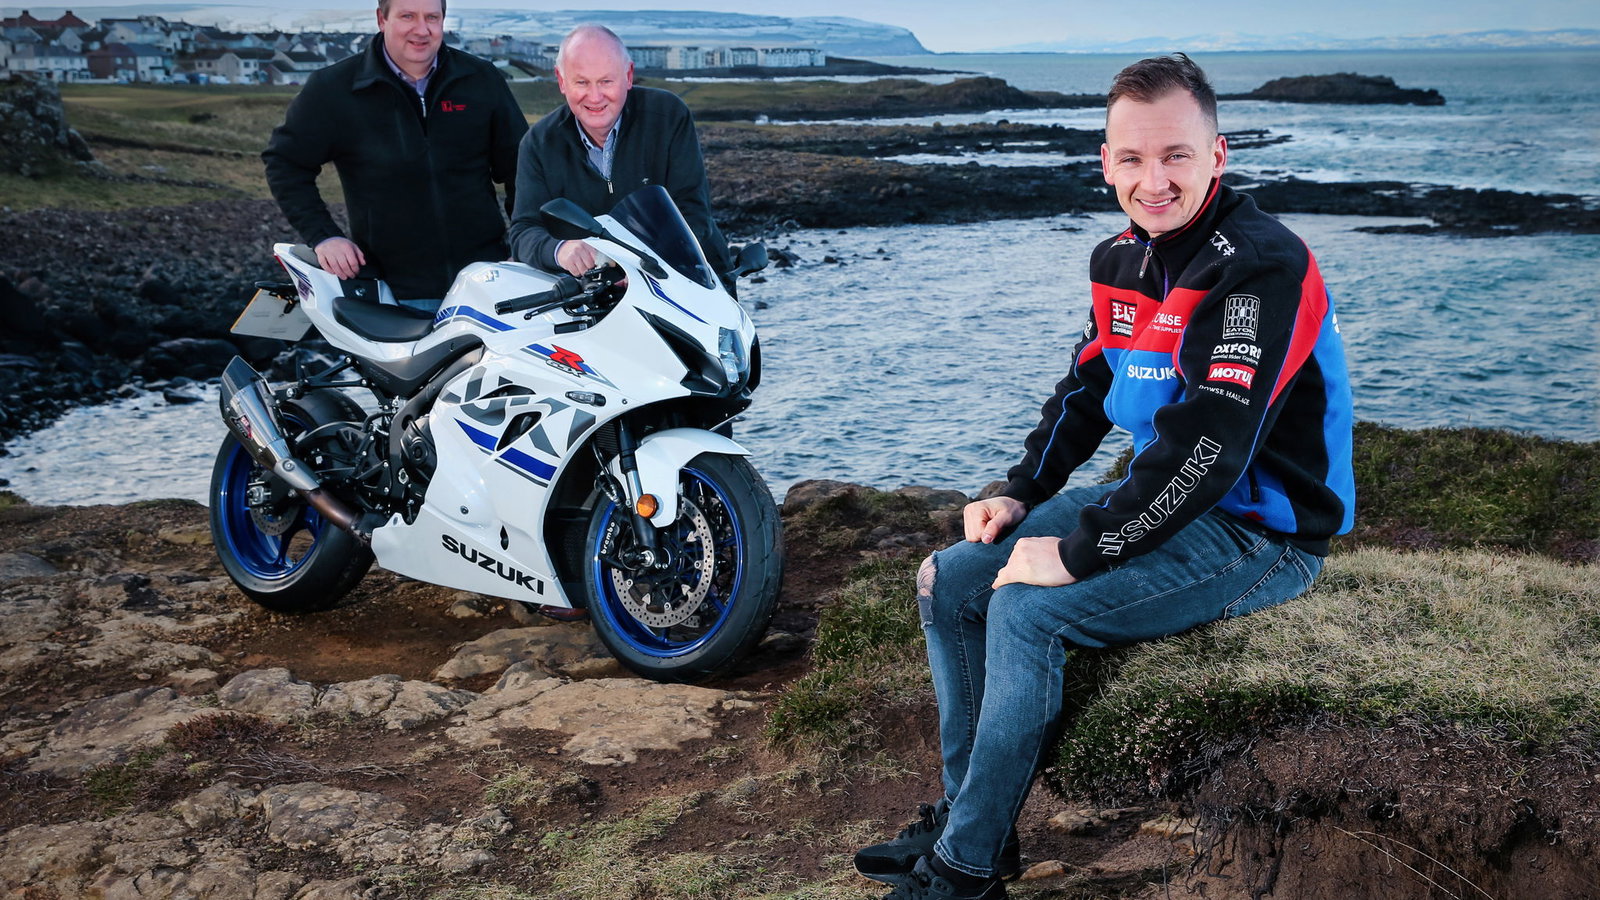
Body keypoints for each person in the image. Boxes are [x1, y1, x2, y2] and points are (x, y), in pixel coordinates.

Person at [853, 53, 1355, 900]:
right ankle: (970, 820)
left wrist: (1082, 550)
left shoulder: (1260, 266)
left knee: (1026, 608)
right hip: (1167, 503)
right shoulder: (1120, 260)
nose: (1154, 181)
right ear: (1105, 163)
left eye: (1176, 156)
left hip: (1262, 532)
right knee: (948, 579)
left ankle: (964, 871)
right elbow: (1087, 390)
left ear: (1217, 155)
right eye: (1133, 158)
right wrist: (1020, 491)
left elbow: (1211, 444)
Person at [262, 0, 526, 307]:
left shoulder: (480, 78)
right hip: (394, 294)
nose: (422, 30)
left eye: (432, 17)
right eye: (408, 16)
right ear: (381, 19)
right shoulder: (335, 88)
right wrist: (324, 236)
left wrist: (525, 244)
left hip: (487, 282)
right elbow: (285, 163)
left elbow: (521, 168)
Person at [507, 24, 734, 289]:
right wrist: (560, 250)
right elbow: (523, 231)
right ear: (561, 81)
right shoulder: (538, 143)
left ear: (628, 76)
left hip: (692, 280)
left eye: (606, 81)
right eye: (582, 82)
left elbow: (693, 212)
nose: (595, 97)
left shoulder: (668, 115)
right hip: (599, 293)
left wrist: (640, 267)